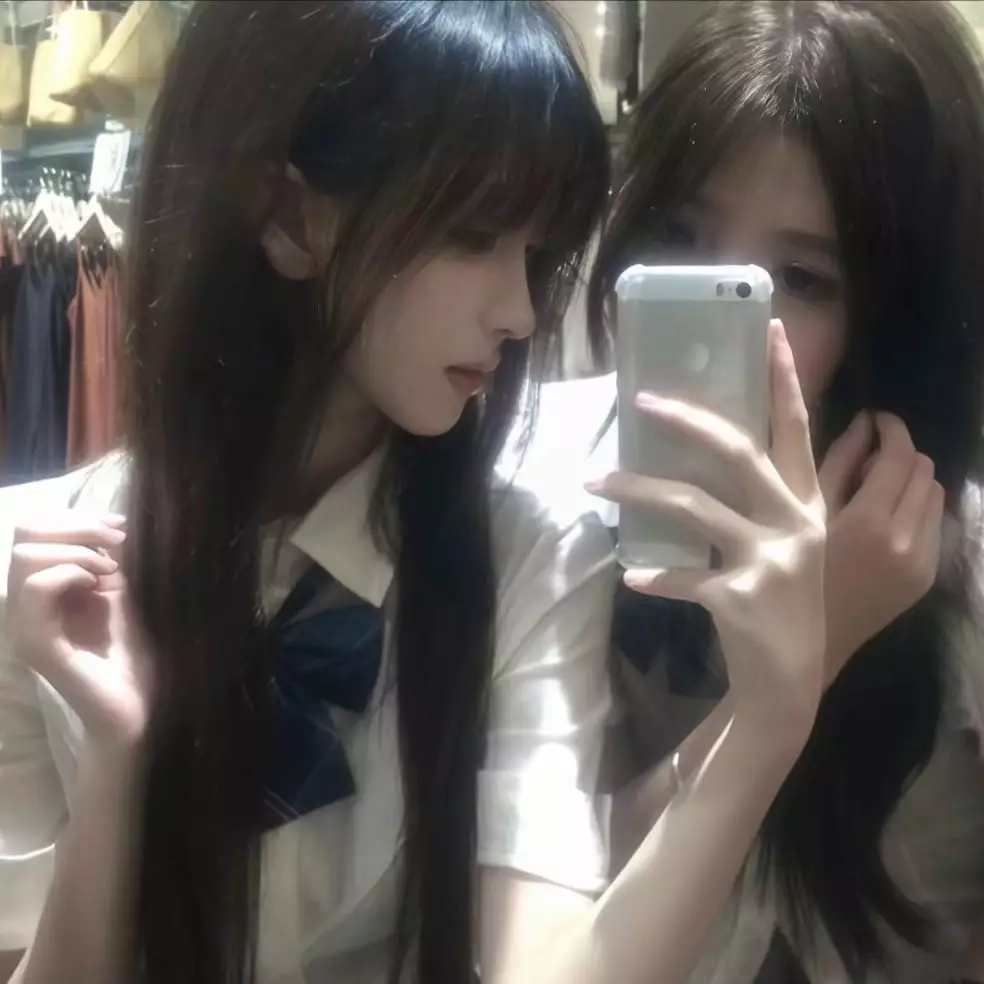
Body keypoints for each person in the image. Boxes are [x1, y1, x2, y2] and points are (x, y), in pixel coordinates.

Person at [0, 3, 832, 984]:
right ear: (287, 217)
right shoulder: (40, 567)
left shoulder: (532, 554)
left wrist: (768, 723)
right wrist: (114, 767)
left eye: (537, 255)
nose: (521, 312)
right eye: (474, 236)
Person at [570, 1, 984, 982]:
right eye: (680, 235)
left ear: (900, 314)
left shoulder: (966, 569)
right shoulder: (573, 506)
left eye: (799, 278)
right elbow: (571, 912)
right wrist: (811, 649)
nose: (715, 318)